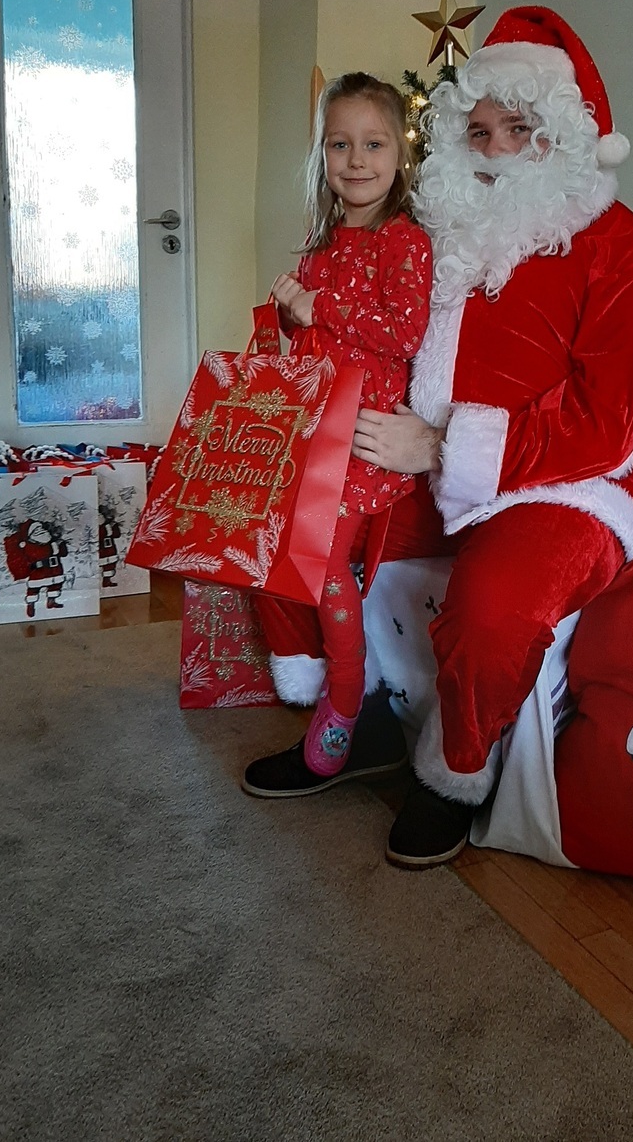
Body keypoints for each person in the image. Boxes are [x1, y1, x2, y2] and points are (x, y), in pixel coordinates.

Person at [244, 8, 633, 869]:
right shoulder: (441, 234)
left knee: (492, 606)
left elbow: (608, 425)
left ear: (565, 136)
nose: (493, 149)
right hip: (415, 454)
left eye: (518, 128)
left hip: (565, 484)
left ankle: (452, 774)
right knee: (291, 527)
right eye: (476, 132)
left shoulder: (628, 251)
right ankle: (352, 721)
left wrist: (443, 450)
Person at [250, 72, 432, 781]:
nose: (356, 161)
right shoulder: (321, 243)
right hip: (314, 432)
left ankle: (347, 697)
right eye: (339, 144)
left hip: (365, 441)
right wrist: (290, 317)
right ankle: (327, 681)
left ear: (400, 153)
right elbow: (313, 345)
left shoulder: (402, 240)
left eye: (373, 143)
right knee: (293, 547)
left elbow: (404, 333)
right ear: (321, 155)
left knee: (324, 559)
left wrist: (318, 307)